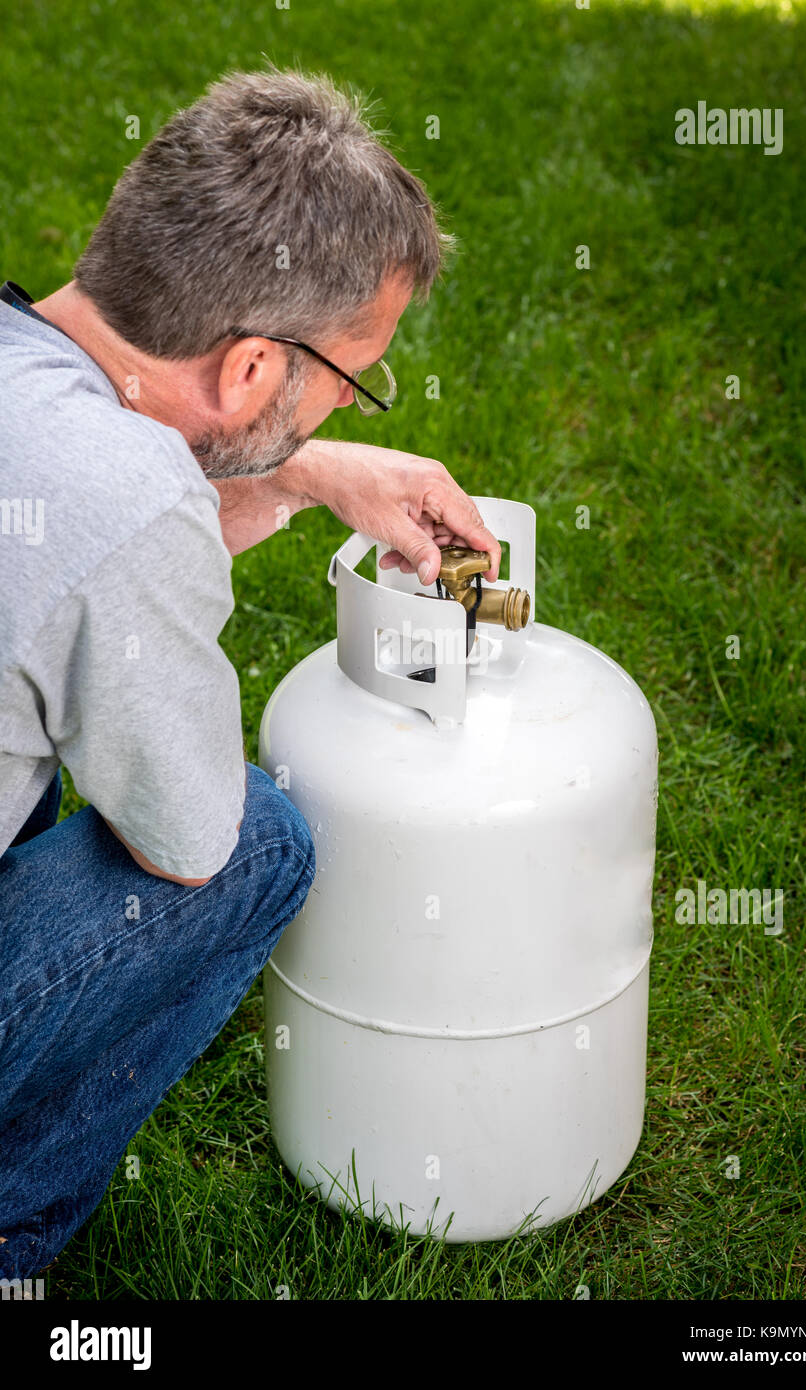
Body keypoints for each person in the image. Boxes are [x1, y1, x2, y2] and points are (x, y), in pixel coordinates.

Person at [0, 65, 501, 1280]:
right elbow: (186, 842)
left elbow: (68, 552)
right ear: (251, 372)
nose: (342, 407)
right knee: (262, 839)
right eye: (350, 376)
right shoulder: (124, 501)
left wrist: (300, 473)